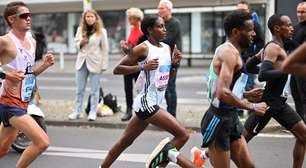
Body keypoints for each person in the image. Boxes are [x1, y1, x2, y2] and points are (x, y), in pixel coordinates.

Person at [146, 11, 268, 168]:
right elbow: (222, 92)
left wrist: (245, 94)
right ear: (236, 32)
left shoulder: (232, 51)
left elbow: (216, 86)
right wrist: (251, 106)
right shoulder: (229, 53)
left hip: (230, 118)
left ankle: (185, 155)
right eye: (250, 29)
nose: (254, 33)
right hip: (218, 120)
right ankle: (171, 154)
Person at [99, 15, 190, 168]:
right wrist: (142, 67)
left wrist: (174, 65)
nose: (164, 29)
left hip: (154, 102)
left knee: (124, 142)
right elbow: (117, 69)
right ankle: (158, 163)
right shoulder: (143, 48)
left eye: (164, 26)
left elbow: (166, 79)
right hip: (146, 102)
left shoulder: (167, 48)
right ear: (149, 30)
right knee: (183, 135)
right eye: (160, 26)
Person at [244, 14, 306, 168]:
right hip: (268, 104)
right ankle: (204, 155)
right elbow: (263, 74)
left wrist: (277, 67)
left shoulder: (275, 47)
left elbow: (249, 66)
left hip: (280, 103)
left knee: (303, 136)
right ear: (278, 28)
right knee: (240, 141)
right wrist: (286, 70)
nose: (292, 28)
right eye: (289, 25)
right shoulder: (273, 48)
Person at [0, 1, 54, 168]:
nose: (28, 19)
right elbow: (11, 75)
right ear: (11, 19)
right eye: (24, 16)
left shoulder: (32, 41)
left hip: (23, 101)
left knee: (2, 149)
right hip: (8, 102)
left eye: (30, 15)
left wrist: (44, 66)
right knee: (42, 142)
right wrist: (6, 74)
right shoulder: (4, 41)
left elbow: (28, 74)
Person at [68, 9, 109, 121]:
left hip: (95, 62)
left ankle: (93, 112)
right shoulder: (80, 30)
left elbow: (105, 49)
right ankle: (77, 111)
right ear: (84, 18)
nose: (89, 18)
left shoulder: (102, 31)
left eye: (91, 16)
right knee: (79, 89)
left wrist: (104, 65)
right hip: (81, 62)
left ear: (95, 18)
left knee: (94, 90)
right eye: (87, 17)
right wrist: (80, 43)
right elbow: (75, 44)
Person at [158, 0, 182, 117]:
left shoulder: (174, 23)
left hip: (172, 60)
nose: (159, 10)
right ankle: (168, 115)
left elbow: (168, 40)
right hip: (163, 59)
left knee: (170, 88)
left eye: (162, 8)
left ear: (169, 9)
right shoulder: (161, 22)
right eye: (159, 8)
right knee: (164, 88)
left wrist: (155, 38)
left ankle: (172, 116)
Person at [120, 7, 144, 121]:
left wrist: (128, 47)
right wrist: (126, 45)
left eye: (130, 18)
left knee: (139, 88)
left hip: (137, 64)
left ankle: (141, 110)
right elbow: (131, 45)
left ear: (136, 18)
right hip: (128, 63)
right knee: (127, 87)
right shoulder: (132, 29)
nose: (129, 20)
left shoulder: (141, 31)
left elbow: (139, 48)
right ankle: (129, 110)